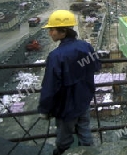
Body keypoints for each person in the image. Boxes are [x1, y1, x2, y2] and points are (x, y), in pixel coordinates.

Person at [38, 10, 101, 155]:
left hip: (66, 106)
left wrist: (44, 109)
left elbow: (50, 86)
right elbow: (96, 66)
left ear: (63, 31)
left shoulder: (55, 56)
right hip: (83, 100)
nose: (50, 33)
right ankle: (89, 151)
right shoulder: (85, 46)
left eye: (52, 30)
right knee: (84, 130)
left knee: (64, 139)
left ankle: (63, 152)